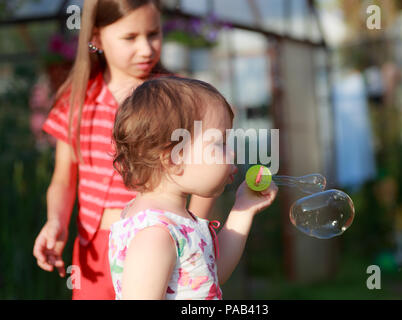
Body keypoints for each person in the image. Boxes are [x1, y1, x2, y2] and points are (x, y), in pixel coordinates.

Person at [32, 0, 216, 300]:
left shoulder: (179, 97)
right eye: (130, 38)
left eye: (153, 34)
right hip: (92, 251)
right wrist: (56, 222)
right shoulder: (75, 100)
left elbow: (206, 168)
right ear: (95, 39)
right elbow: (64, 178)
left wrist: (191, 231)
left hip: (159, 243)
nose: (146, 48)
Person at [109, 76, 278, 299]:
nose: (233, 153)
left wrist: (243, 209)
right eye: (220, 143)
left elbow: (210, 275)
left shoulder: (175, 221)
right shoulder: (155, 235)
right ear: (174, 157)